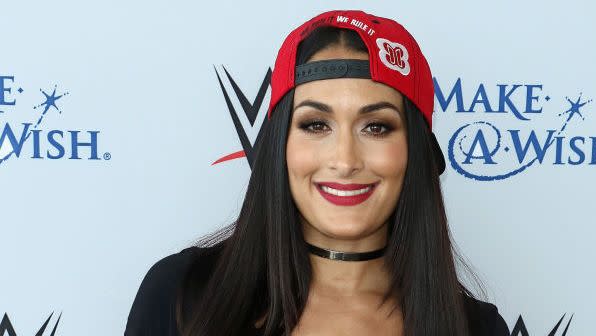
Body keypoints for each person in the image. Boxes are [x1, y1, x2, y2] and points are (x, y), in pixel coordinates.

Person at [125, 9, 510, 336]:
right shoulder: (180, 293)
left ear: (416, 151)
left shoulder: (476, 328)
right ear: (280, 145)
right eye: (315, 125)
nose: (344, 161)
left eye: (376, 127)